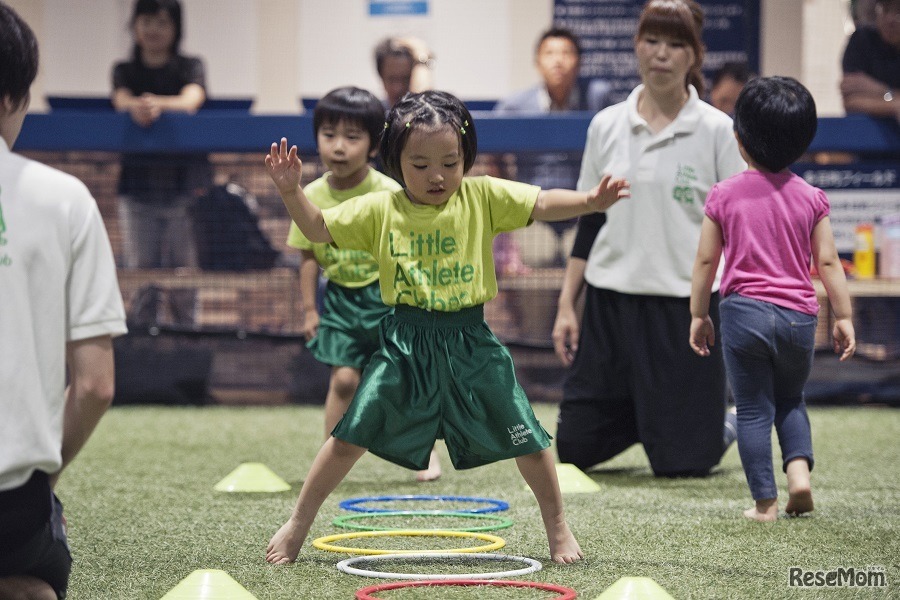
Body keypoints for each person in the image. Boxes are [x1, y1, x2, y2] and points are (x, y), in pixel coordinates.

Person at [263, 90, 630, 565]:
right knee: (348, 437)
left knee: (529, 436)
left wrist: (590, 201)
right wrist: (291, 191)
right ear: (395, 162)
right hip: (404, 344)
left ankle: (558, 527)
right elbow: (316, 228)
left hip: (471, 342)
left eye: (450, 163)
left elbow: (542, 203)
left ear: (466, 157)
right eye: (419, 164)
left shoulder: (483, 195)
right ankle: (296, 524)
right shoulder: (380, 208)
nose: (436, 175)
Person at [551, 0, 746, 478]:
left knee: (686, 464)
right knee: (574, 448)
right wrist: (566, 304)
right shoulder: (606, 125)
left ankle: (715, 423)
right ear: (636, 46)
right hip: (610, 305)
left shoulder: (719, 131)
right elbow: (589, 220)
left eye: (676, 44)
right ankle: (653, 416)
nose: (661, 53)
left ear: (694, 55)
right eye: (652, 41)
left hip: (687, 309)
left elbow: (738, 228)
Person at [0, 3, 128, 598]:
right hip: (12, 503)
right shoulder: (65, 200)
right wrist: (42, 481)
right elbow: (95, 386)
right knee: (34, 582)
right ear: (12, 97)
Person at [689, 76, 856, 521]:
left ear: (739, 138)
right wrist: (844, 317)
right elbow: (828, 262)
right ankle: (799, 479)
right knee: (791, 400)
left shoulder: (723, 195)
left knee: (752, 409)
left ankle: (765, 502)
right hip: (799, 317)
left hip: (743, 314)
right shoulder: (812, 198)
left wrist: (699, 314)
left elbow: (705, 261)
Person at [285, 86, 441, 481]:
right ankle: (328, 460)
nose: (339, 147)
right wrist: (310, 310)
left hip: (388, 299)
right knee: (343, 380)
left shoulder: (389, 192)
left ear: (373, 146)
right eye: (329, 135)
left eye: (352, 137)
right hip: (340, 301)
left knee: (403, 380)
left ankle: (424, 453)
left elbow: (413, 250)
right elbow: (307, 257)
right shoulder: (310, 195)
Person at [111, 0, 212, 289]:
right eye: (146, 21)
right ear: (134, 26)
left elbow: (191, 100)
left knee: (186, 276)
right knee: (142, 277)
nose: (153, 29)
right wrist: (135, 107)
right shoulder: (124, 70)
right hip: (137, 190)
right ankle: (143, 322)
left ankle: (186, 322)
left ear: (176, 28)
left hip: (186, 189)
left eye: (162, 22)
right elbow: (121, 100)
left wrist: (156, 105)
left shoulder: (191, 66)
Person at [494, 27, 615, 267]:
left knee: (582, 255)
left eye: (566, 53)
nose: (558, 60)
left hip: (584, 209)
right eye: (549, 53)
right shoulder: (515, 106)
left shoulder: (598, 98)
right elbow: (493, 152)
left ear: (579, 62)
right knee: (537, 255)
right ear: (537, 62)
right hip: (534, 211)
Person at [840, 0, 900, 119]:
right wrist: (894, 102)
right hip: (865, 127)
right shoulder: (862, 40)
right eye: (885, 10)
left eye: (899, 12)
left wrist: (881, 90)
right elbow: (851, 102)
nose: (890, 19)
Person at [373, 36, 434, 110]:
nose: (398, 89)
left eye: (406, 79)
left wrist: (422, 59)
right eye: (392, 79)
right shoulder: (374, 114)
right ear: (381, 77)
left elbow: (423, 106)